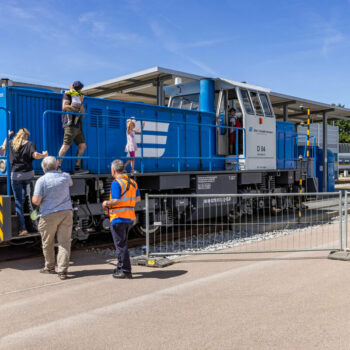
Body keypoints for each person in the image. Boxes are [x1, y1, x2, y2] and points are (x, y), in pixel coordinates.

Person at [32, 156, 73, 280]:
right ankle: (62, 271)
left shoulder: (41, 181)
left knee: (47, 242)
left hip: (48, 215)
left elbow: (36, 201)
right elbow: (71, 183)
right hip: (66, 213)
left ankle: (50, 267)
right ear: (56, 166)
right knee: (64, 242)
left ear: (43, 168)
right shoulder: (65, 176)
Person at [102, 159, 141, 279]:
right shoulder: (133, 182)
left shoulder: (116, 183)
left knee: (121, 245)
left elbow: (116, 200)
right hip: (129, 218)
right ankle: (120, 266)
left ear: (114, 170)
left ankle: (125, 270)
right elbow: (138, 199)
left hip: (118, 218)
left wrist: (105, 203)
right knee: (122, 243)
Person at [9, 128, 48, 236]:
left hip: (15, 175)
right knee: (33, 201)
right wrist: (44, 155)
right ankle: (37, 226)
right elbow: (35, 155)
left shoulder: (11, 143)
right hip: (28, 175)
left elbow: (2, 148)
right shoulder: (30, 144)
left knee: (18, 203)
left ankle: (22, 229)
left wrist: (8, 136)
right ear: (26, 135)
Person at [57, 81, 88, 174]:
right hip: (69, 125)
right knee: (66, 146)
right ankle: (57, 166)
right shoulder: (67, 95)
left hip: (77, 126)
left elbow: (83, 113)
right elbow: (64, 107)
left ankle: (77, 167)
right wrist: (75, 109)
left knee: (83, 146)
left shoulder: (80, 97)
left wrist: (80, 104)